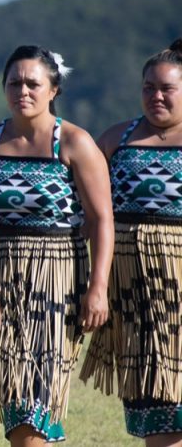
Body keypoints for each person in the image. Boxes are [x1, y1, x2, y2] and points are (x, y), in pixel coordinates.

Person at [0, 46, 112, 445]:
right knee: (15, 397)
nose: (23, 91)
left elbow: (100, 219)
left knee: (35, 397)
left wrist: (98, 288)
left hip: (56, 279)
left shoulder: (75, 143)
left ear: (53, 90)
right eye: (15, 83)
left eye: (33, 83)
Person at [81, 38, 182, 446]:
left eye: (167, 89)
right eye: (148, 88)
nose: (156, 96)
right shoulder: (115, 140)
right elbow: (85, 210)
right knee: (154, 405)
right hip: (132, 292)